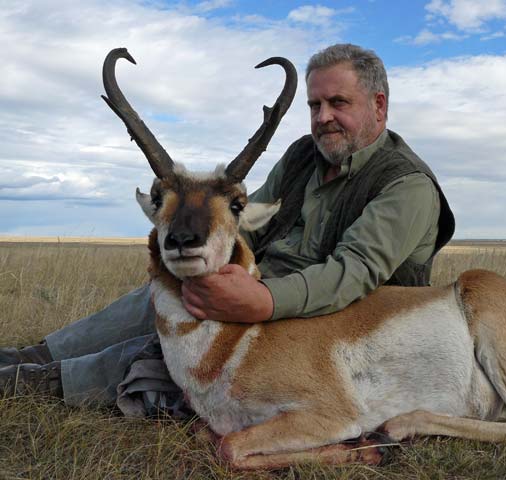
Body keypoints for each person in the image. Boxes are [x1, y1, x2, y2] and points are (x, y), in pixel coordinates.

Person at [0, 44, 454, 410]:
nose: (322, 117)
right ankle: (32, 356)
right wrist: (211, 273)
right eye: (315, 104)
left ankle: (32, 383)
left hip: (331, 330)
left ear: (379, 105)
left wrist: (261, 299)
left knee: (163, 354)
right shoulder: (303, 156)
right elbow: (243, 225)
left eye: (338, 103)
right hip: (258, 296)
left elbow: (352, 274)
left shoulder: (406, 185)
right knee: (165, 298)